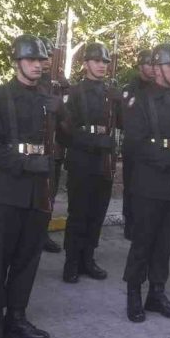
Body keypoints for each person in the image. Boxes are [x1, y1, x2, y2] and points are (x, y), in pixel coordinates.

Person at [0, 35, 56, 338]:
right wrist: (26, 163)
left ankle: (17, 316)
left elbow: (60, 141)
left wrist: (62, 114)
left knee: (28, 257)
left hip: (39, 191)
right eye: (31, 59)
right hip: (10, 188)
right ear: (18, 62)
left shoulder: (49, 99)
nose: (37, 64)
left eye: (41, 60)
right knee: (0, 257)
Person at [121, 43, 170, 322]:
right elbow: (134, 145)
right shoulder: (141, 101)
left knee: (165, 243)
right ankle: (134, 293)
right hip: (149, 184)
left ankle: (157, 293)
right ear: (158, 68)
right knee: (143, 242)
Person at [61, 41, 117, 283]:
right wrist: (94, 142)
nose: (102, 65)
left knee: (97, 212)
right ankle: (72, 261)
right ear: (85, 64)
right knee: (79, 212)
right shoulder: (73, 93)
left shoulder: (111, 94)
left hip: (104, 161)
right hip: (81, 159)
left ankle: (88, 258)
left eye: (105, 61)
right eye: (97, 61)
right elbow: (64, 132)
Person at [120, 49, 154, 240]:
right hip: (133, 147)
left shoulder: (157, 89)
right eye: (148, 64)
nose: (152, 68)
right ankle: (129, 222)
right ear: (140, 67)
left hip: (150, 149)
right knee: (131, 186)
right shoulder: (130, 90)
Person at [38, 37, 67, 254]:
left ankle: (43, 232)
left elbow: (68, 118)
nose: (47, 61)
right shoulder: (33, 81)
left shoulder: (59, 84)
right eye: (43, 56)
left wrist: (66, 92)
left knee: (50, 193)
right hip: (36, 147)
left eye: (49, 56)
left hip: (55, 148)